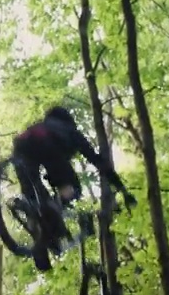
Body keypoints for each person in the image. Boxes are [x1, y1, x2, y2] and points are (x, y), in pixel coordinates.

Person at [10, 105, 136, 268]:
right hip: (48, 148)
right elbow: (97, 162)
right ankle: (55, 207)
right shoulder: (69, 131)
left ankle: (39, 244)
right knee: (73, 188)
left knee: (35, 200)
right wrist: (123, 190)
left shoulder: (38, 126)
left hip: (20, 148)